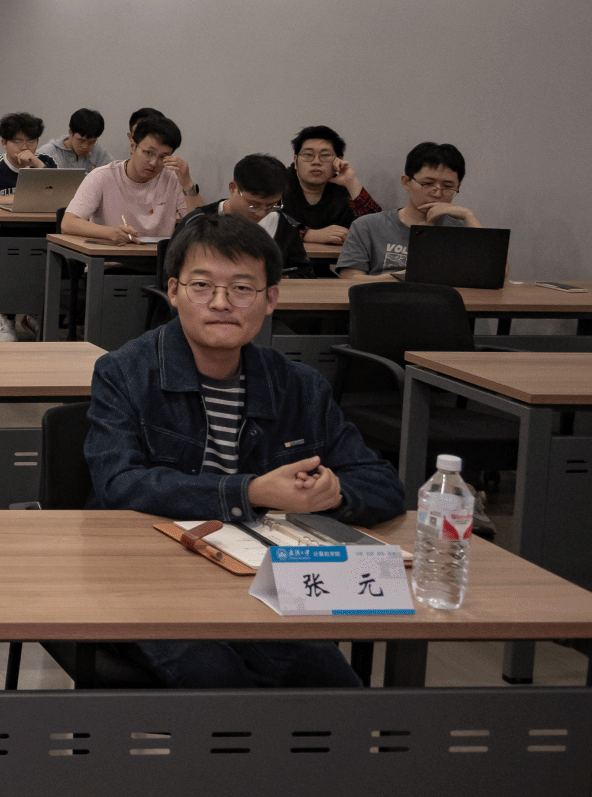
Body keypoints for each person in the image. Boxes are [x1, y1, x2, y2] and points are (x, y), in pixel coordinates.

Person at [86, 213, 403, 688]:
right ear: (173, 292)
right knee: (213, 674)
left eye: (241, 289)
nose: (220, 303)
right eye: (201, 286)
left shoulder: (299, 386)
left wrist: (333, 493)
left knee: (330, 680)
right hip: (149, 574)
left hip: (265, 578)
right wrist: (251, 492)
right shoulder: (124, 372)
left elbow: (382, 485)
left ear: (270, 298)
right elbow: (119, 483)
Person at [337, 142, 488, 278]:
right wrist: (406, 276)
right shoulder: (367, 226)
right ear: (406, 182)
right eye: (428, 183)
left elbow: (491, 273)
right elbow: (350, 280)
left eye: (448, 186)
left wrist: (469, 216)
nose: (437, 193)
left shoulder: (462, 230)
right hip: (383, 298)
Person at [59, 115, 195, 244]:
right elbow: (68, 223)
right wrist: (110, 233)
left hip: (158, 258)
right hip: (112, 257)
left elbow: (199, 226)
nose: (154, 163)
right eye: (148, 153)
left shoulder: (173, 178)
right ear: (133, 146)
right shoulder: (101, 176)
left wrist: (188, 184)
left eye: (163, 157)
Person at [181, 154, 311, 278]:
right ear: (233, 188)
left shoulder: (285, 225)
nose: (261, 213)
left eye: (271, 206)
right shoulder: (197, 222)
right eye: (254, 204)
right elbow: (174, 272)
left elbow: (304, 273)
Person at [284, 126, 382, 246]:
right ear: (296, 161)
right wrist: (309, 234)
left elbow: (378, 230)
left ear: (338, 161)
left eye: (325, 155)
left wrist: (352, 182)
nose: (316, 162)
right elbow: (264, 222)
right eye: (308, 154)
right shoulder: (278, 184)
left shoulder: (344, 190)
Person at [39, 108, 112, 172]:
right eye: (81, 140)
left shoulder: (100, 154)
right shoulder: (47, 153)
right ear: (70, 132)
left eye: (91, 142)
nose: (85, 147)